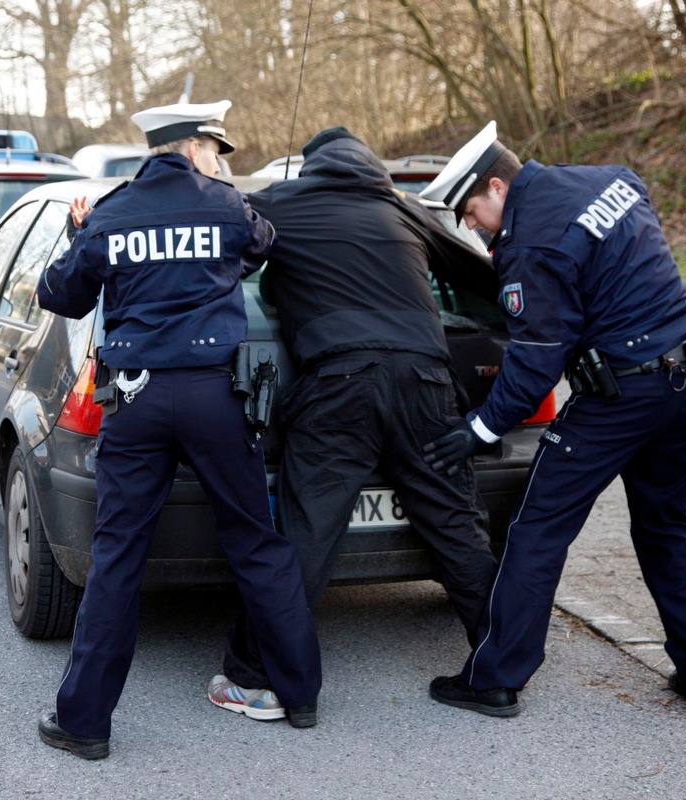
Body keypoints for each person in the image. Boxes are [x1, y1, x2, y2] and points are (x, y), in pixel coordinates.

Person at [33, 100, 322, 760]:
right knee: (254, 538)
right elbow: (263, 247)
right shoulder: (224, 206)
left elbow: (63, 296)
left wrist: (80, 236)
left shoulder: (110, 213)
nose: (220, 161)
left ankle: (83, 723)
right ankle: (299, 693)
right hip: (216, 394)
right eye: (216, 150)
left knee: (117, 558)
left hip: (135, 399)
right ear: (192, 146)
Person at [421, 121, 686, 717]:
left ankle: (495, 679)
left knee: (538, 528)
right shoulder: (612, 179)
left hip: (621, 397)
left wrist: (480, 430)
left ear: (496, 186)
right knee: (668, 526)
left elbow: (536, 360)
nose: (474, 228)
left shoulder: (531, 242)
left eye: (471, 212)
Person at [217, 126, 499, 704]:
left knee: (307, 533)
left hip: (337, 384)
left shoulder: (280, 204)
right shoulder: (403, 208)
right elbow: (481, 278)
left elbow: (212, 255)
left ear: (311, 167)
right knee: (455, 523)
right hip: (426, 381)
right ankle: (500, 670)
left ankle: (256, 676)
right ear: (371, 165)